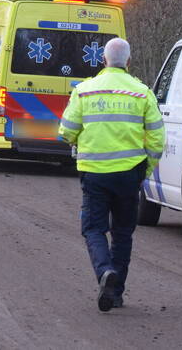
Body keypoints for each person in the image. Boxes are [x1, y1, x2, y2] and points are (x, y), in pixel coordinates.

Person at [58, 38, 164, 312]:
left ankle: (104, 270)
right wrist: (145, 169)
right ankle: (115, 293)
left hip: (94, 174)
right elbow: (156, 139)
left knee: (93, 228)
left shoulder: (85, 90)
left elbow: (67, 130)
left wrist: (79, 142)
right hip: (130, 174)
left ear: (103, 60)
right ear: (128, 62)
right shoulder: (142, 93)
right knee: (123, 233)